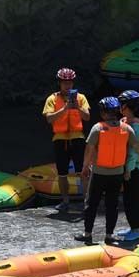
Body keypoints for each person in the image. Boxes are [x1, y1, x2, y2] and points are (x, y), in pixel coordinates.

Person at [76, 97, 139, 245]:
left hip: (99, 173)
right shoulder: (127, 128)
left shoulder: (97, 128)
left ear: (104, 113)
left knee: (91, 203)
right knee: (112, 205)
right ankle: (109, 235)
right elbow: (135, 147)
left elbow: (89, 149)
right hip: (117, 174)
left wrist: (85, 167)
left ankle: (87, 234)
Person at [41, 68, 91, 211]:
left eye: (69, 83)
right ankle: (65, 201)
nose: (67, 86)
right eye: (64, 83)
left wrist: (76, 107)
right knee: (62, 172)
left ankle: (87, 200)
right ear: (60, 83)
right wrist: (64, 109)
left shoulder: (80, 98)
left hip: (77, 137)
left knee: (82, 171)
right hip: (60, 139)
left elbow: (87, 117)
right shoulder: (52, 99)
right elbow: (49, 119)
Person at [115, 90, 139, 242]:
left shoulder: (134, 125)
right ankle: (132, 227)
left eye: (121, 104)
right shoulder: (125, 121)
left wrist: (128, 170)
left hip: (134, 169)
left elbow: (134, 152)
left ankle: (136, 230)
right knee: (128, 198)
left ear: (126, 106)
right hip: (128, 167)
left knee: (133, 199)